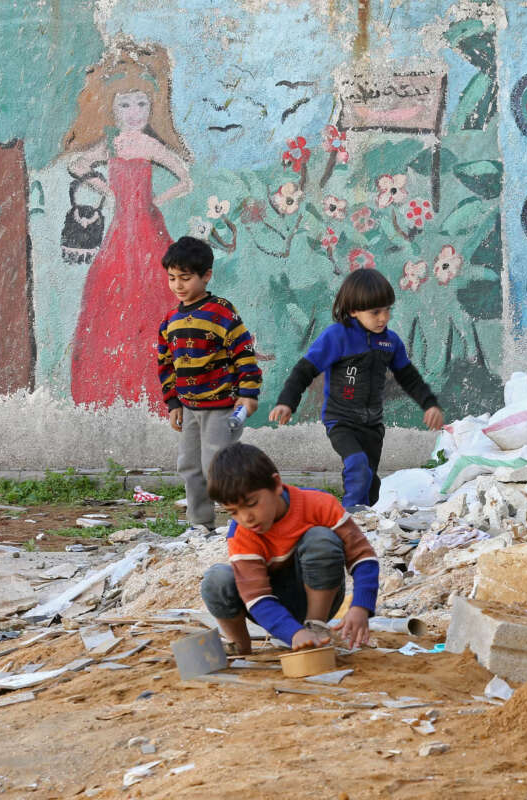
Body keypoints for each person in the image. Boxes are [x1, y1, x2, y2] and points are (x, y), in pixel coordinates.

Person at [62, 41, 193, 408]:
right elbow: (77, 166)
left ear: (152, 108)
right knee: (112, 299)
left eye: (141, 105)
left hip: (149, 231)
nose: (134, 112)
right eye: (125, 105)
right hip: (121, 231)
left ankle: (158, 390)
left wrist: (155, 202)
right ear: (112, 109)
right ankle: (111, 389)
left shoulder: (150, 145)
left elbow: (185, 179)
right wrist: (107, 190)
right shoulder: (113, 143)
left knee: (154, 299)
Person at [268, 269, 444, 509]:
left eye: (387, 310)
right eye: (375, 312)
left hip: (372, 425)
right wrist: (287, 401)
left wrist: (429, 404)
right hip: (341, 421)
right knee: (357, 466)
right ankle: (349, 518)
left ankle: (368, 521)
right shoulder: (338, 337)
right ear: (353, 311)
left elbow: (409, 376)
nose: (383, 318)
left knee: (370, 482)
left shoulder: (389, 341)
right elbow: (304, 370)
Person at [199, 443, 379, 654]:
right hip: (267, 607)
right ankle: (240, 645)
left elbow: (363, 557)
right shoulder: (241, 533)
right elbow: (257, 597)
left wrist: (361, 606)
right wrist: (292, 633)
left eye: (251, 503)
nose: (246, 518)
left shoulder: (319, 504)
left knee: (320, 539)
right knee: (216, 579)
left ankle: (316, 628)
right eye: (233, 512)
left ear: (276, 484)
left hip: (319, 597)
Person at [156, 236, 261, 538]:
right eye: (172, 278)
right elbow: (165, 364)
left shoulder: (222, 313)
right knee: (189, 466)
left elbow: (244, 354)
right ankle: (200, 525)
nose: (177, 285)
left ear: (206, 276)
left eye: (185, 278)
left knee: (218, 468)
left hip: (222, 407)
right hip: (189, 408)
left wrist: (248, 394)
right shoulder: (170, 321)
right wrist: (173, 403)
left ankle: (244, 522)